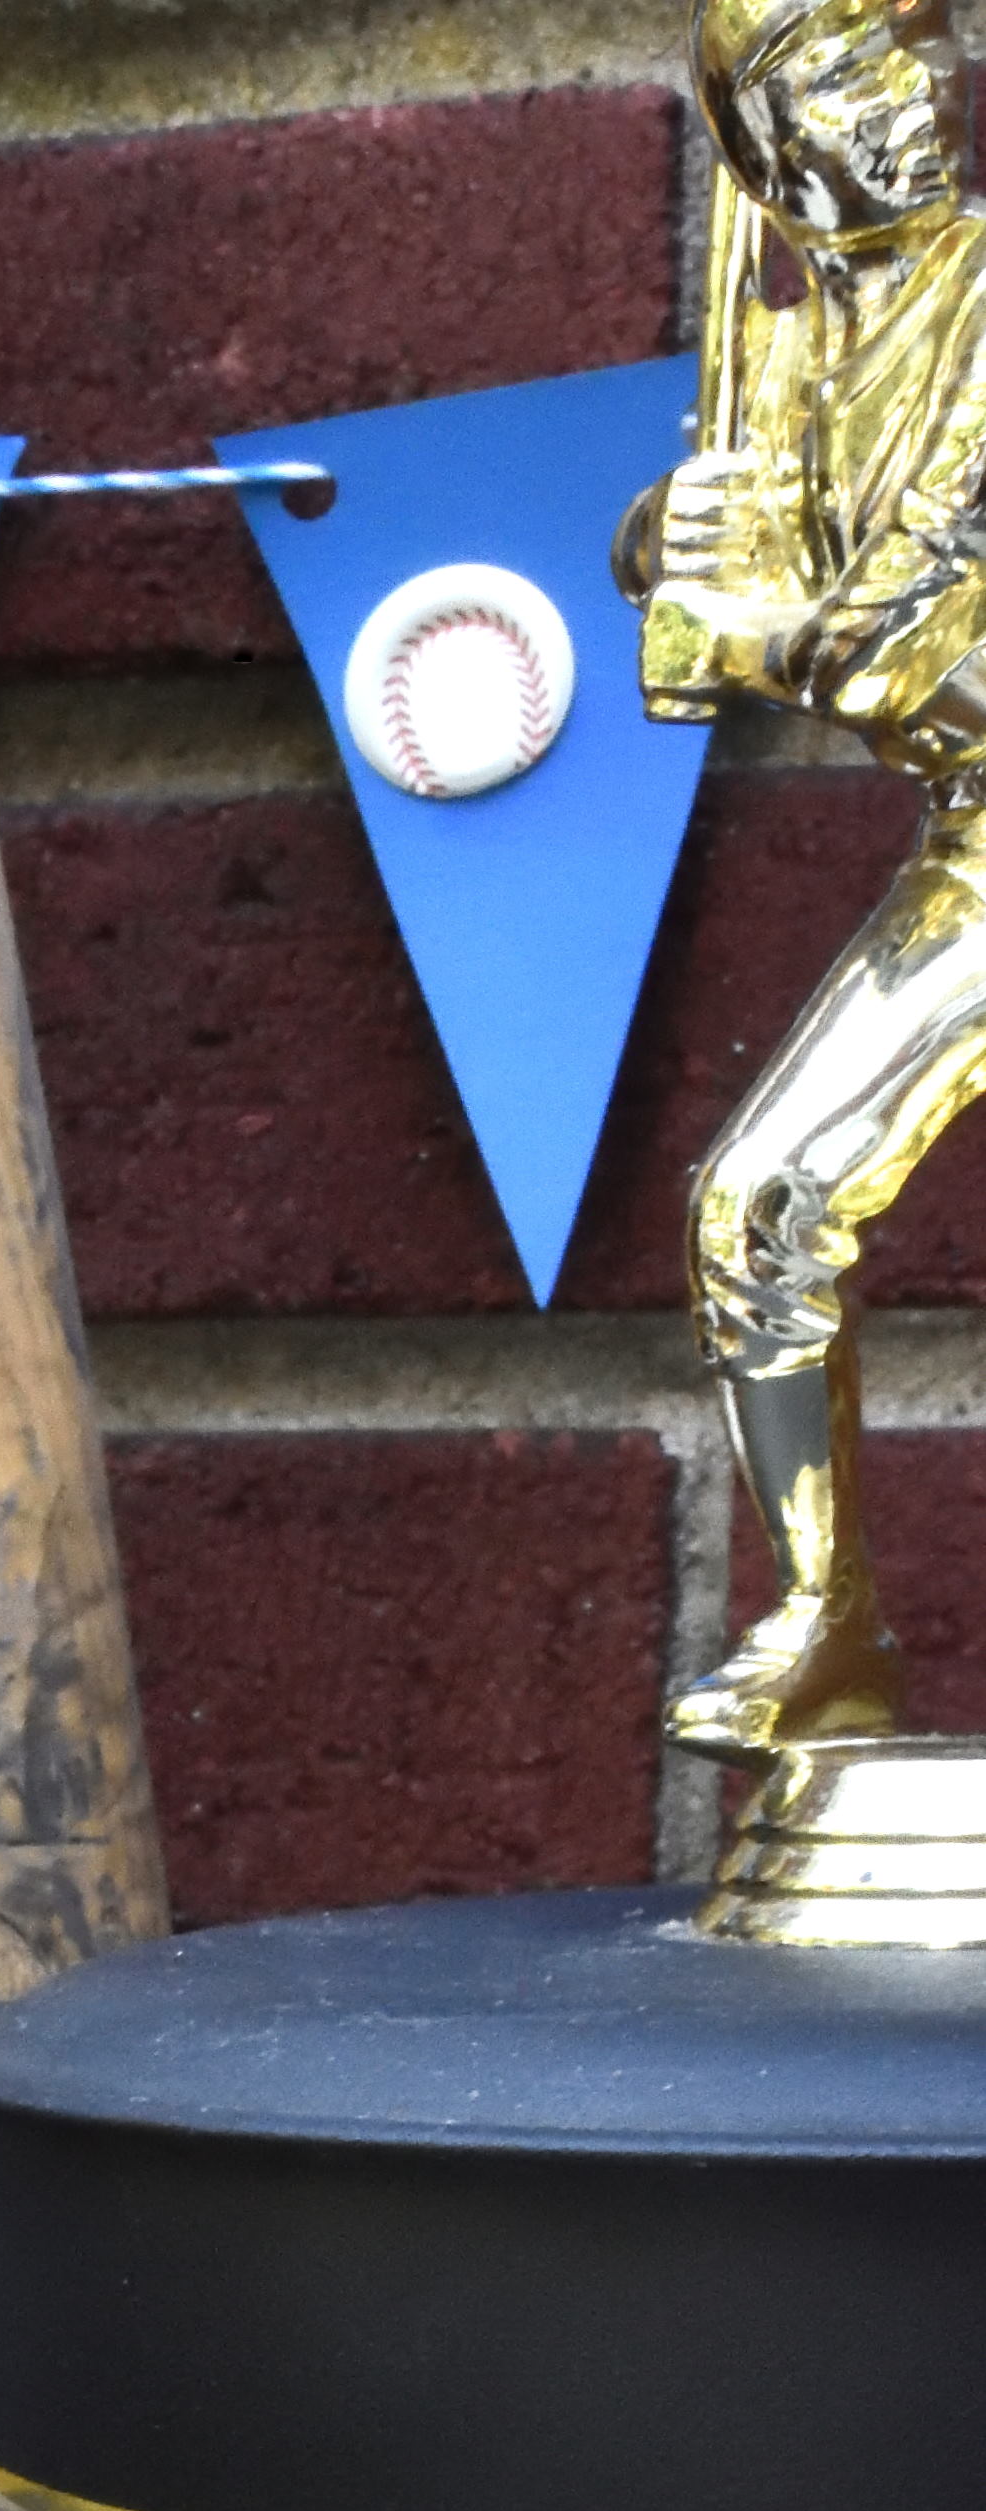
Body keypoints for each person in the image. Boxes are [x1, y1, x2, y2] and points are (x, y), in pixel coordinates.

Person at [622, 0, 986, 1750]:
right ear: (761, 151)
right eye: (843, 73)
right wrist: (662, 536)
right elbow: (741, 607)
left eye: (914, 54)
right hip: (978, 842)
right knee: (758, 1207)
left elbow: (895, 648)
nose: (907, 97)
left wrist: (729, 614)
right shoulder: (790, 364)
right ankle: (827, 1625)